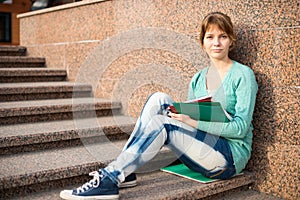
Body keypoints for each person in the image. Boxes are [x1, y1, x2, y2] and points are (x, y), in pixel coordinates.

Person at [60, 12, 258, 200]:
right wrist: (182, 118)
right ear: (202, 42)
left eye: (222, 36)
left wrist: (191, 122)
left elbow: (240, 129)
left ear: (231, 40)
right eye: (210, 37)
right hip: (200, 151)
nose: (216, 42)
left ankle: (110, 178)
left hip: (228, 158)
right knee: (158, 98)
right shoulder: (198, 79)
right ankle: (126, 171)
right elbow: (190, 115)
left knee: (162, 124)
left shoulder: (243, 75)